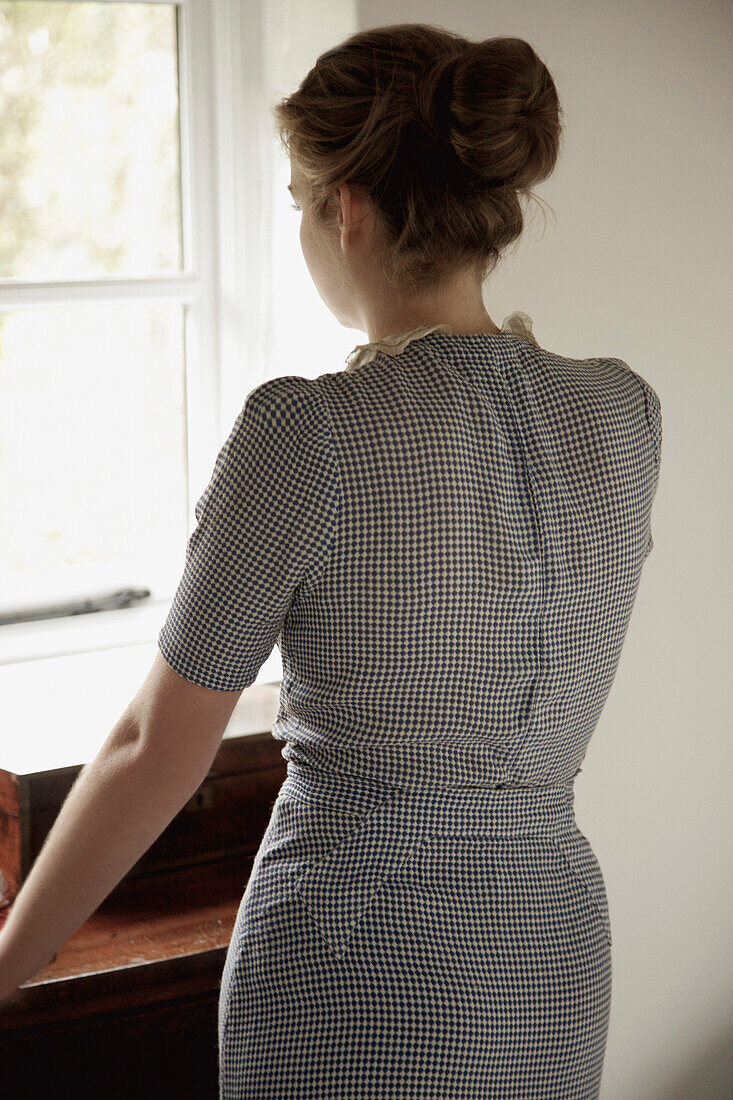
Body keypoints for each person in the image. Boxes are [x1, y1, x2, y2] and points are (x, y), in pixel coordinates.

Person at [0, 22, 662, 1100]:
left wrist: (10, 962)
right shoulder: (624, 412)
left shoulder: (308, 432)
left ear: (342, 208)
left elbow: (151, 748)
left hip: (351, 955)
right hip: (550, 949)